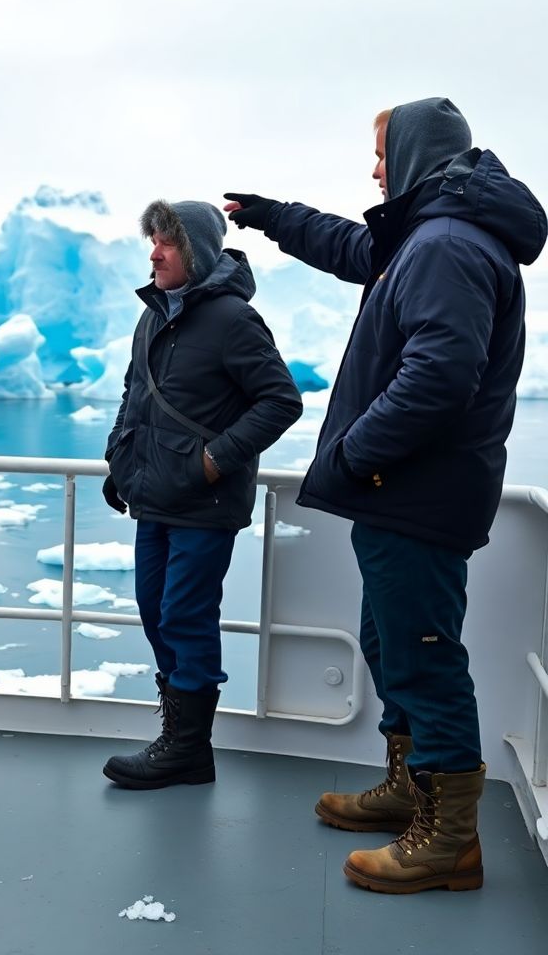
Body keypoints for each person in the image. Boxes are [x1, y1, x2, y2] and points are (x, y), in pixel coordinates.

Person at [224, 97, 547, 893]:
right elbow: (353, 245)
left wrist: (355, 454)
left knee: (425, 658)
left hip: (415, 491)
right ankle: (412, 789)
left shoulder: (444, 244)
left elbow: (439, 377)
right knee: (392, 644)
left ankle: (449, 842)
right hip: (408, 490)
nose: (374, 170)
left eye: (380, 153)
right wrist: (274, 216)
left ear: (415, 152)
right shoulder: (433, 235)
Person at [101, 200, 302, 790]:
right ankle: (178, 736)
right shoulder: (154, 315)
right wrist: (121, 457)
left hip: (204, 503)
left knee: (186, 617)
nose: (154, 252)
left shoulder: (233, 319)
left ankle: (188, 749)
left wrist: (214, 461)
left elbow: (280, 401)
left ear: (196, 251)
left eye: (165, 242)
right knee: (153, 611)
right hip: (155, 494)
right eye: (152, 241)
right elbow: (136, 392)